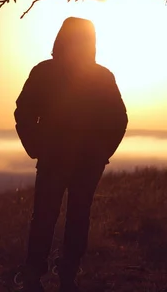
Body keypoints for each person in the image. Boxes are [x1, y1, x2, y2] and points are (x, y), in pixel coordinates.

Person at [14, 17, 128, 292]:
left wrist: (37, 146)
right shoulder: (100, 76)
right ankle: (64, 274)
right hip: (78, 159)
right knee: (74, 215)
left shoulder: (46, 72)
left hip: (62, 157)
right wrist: (102, 153)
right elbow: (119, 120)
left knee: (47, 214)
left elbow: (24, 113)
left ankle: (38, 274)